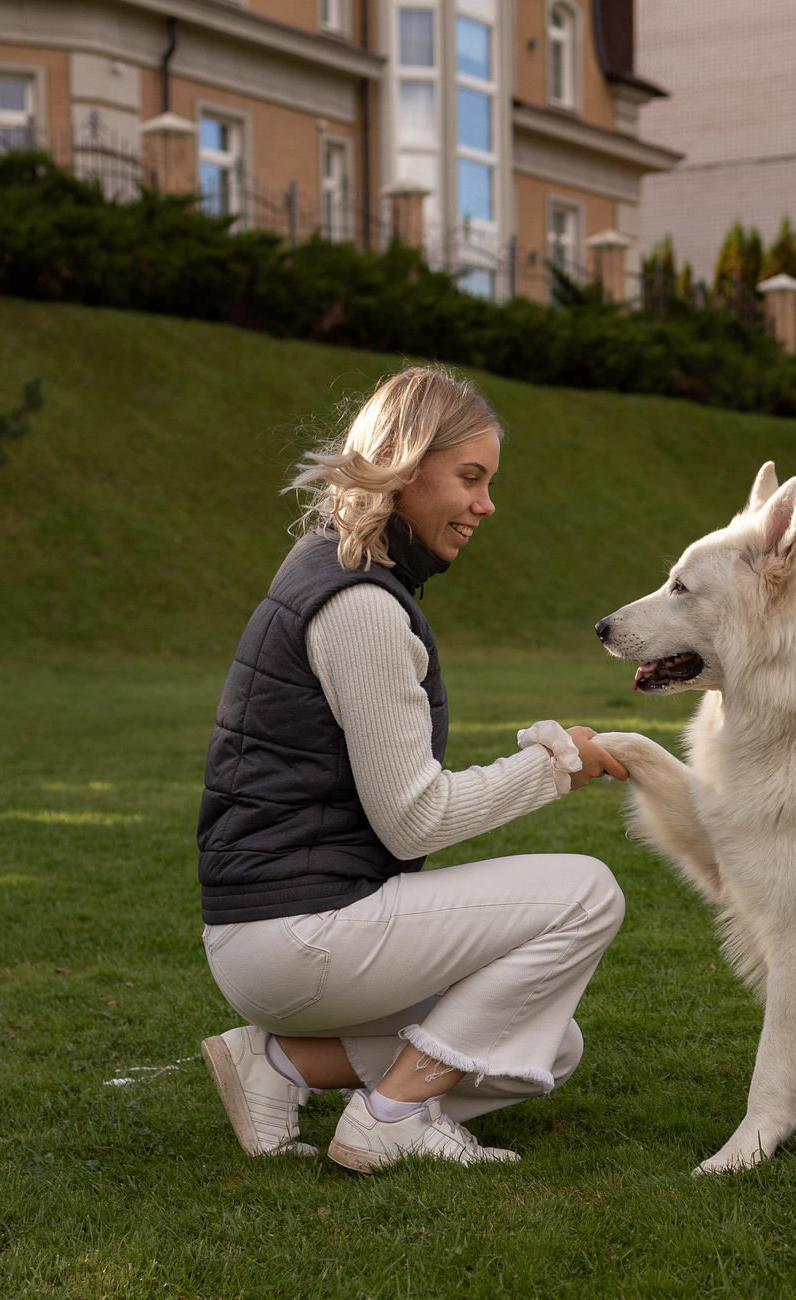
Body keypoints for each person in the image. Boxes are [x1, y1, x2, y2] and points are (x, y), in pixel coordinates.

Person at [195, 365, 630, 1172]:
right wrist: (552, 766)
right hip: (293, 931)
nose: (486, 504)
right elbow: (413, 819)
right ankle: (391, 1115)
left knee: (543, 1044)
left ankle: (277, 1064)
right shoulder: (359, 601)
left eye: (488, 482)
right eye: (470, 477)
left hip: (284, 925)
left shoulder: (332, 567)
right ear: (399, 459)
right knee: (588, 894)